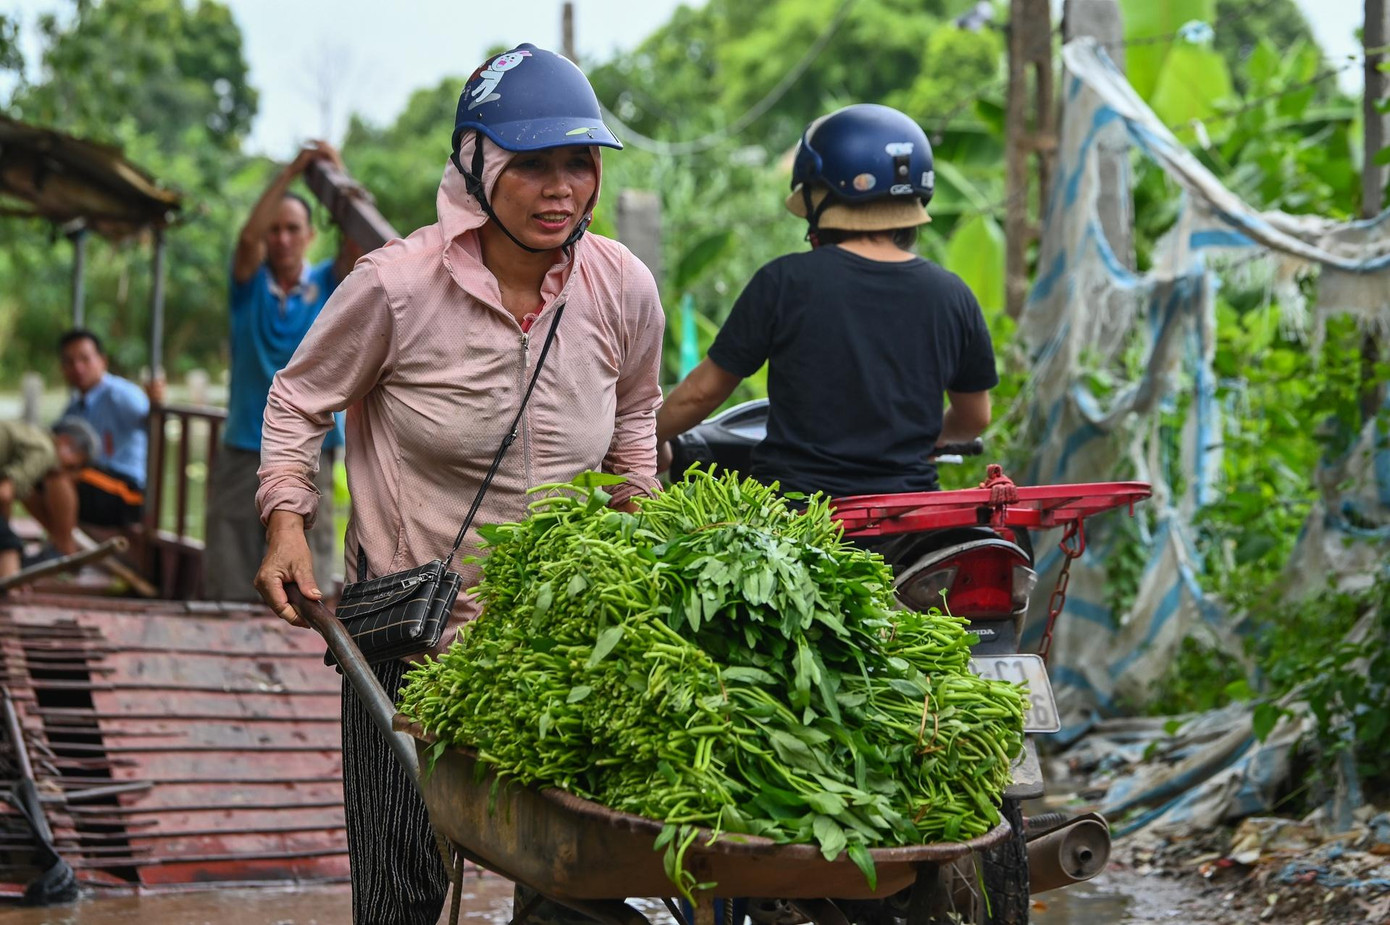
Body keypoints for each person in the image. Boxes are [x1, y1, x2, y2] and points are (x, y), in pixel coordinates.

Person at [252, 43, 663, 925]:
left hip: (560, 644)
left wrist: (638, 511)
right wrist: (287, 520)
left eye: (579, 163)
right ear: (476, 163)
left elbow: (636, 411)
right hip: (410, 637)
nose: (561, 189)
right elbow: (297, 398)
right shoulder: (396, 287)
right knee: (402, 894)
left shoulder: (621, 286)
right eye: (534, 165)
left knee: (571, 888)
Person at [656, 103, 997, 517]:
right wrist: (930, 441)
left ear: (822, 197)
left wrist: (642, 440)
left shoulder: (785, 281)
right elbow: (975, 417)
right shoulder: (953, 294)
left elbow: (703, 392)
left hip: (797, 518)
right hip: (909, 516)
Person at [203, 140, 363, 600]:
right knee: (230, 563)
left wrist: (336, 171)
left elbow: (357, 241)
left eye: (293, 229)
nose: (283, 238)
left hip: (311, 447)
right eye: (275, 230)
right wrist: (293, 170)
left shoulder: (328, 283)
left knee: (308, 570)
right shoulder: (249, 284)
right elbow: (247, 240)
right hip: (245, 444)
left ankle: (298, 638)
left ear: (310, 235)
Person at [54, 329, 160, 539]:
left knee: (58, 477)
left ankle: (64, 546)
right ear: (62, 368)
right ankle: (62, 541)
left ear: (102, 361)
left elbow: (152, 420)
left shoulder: (122, 395)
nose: (78, 368)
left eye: (85, 359)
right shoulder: (74, 407)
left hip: (127, 491)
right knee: (30, 478)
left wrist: (156, 403)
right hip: (94, 483)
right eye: (70, 362)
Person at [1, 417, 99, 578]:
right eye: (72, 467)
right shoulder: (46, 451)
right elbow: (5, 494)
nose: (71, 474)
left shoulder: (30, 439)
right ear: (65, 442)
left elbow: (12, 494)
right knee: (9, 548)